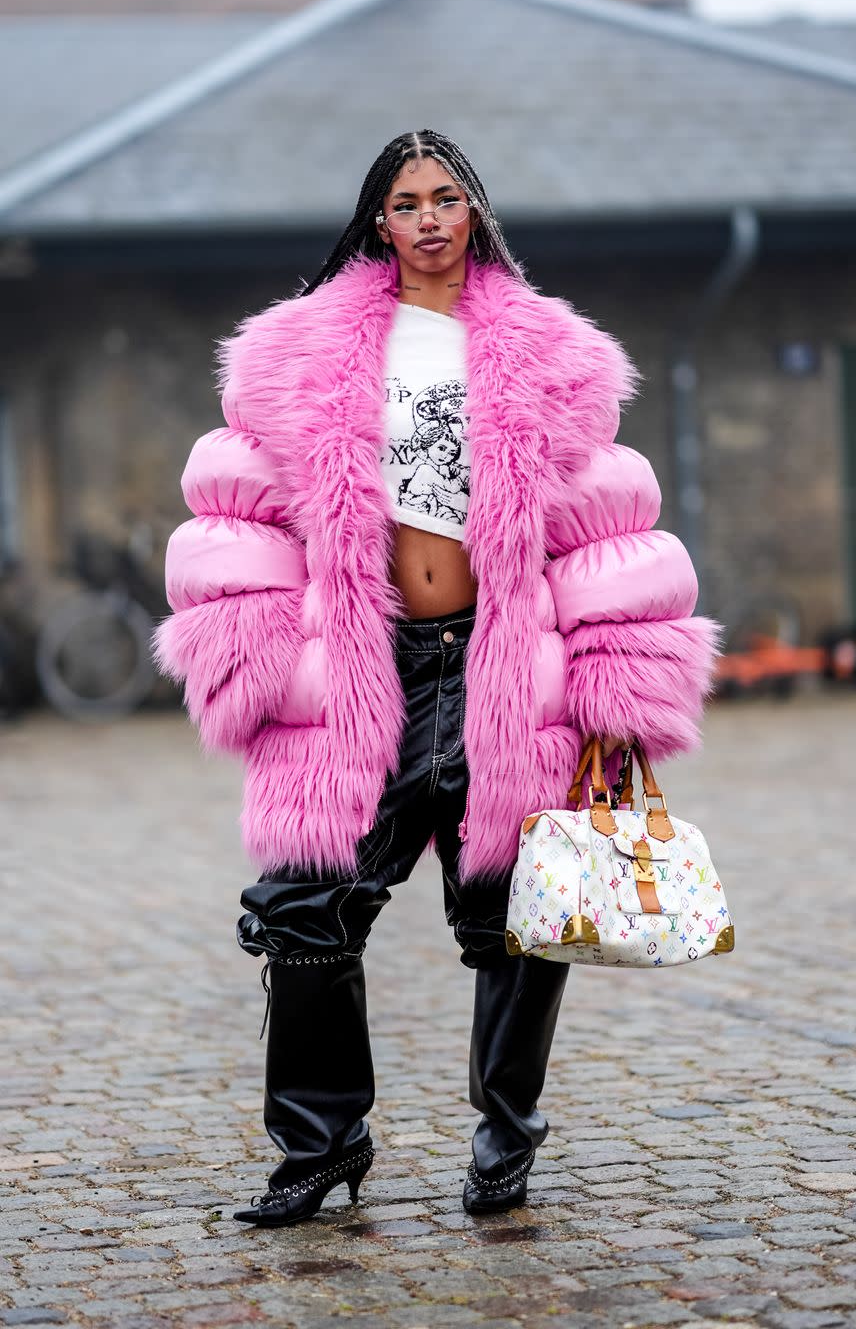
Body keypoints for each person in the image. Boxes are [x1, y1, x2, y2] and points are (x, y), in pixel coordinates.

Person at [153, 128, 722, 1227]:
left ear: (473, 212)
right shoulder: (296, 353)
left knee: (518, 907)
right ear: (380, 218)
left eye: (446, 197)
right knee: (306, 906)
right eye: (407, 200)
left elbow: (603, 523)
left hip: (504, 663)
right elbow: (242, 509)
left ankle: (507, 1134)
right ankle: (322, 1142)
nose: (427, 217)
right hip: (356, 665)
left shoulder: (550, 353)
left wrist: (621, 685)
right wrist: (253, 649)